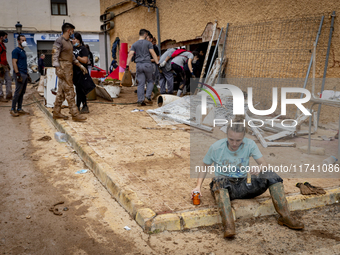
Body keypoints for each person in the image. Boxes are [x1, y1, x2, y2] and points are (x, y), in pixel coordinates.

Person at [191, 120, 304, 238]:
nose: (234, 143)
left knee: (271, 174)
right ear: (227, 135)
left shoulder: (250, 144)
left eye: (238, 140)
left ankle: (286, 217)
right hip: (227, 189)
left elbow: (264, 164)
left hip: (246, 184)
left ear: (243, 137)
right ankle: (229, 226)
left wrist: (260, 168)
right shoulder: (216, 147)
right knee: (219, 181)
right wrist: (198, 186)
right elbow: (204, 165)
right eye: (231, 139)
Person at [52, 23, 87, 122]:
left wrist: (80, 65)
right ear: (69, 31)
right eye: (72, 31)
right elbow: (54, 55)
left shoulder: (69, 42)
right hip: (63, 68)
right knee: (70, 91)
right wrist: (58, 68)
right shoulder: (59, 41)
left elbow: (72, 57)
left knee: (61, 92)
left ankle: (56, 112)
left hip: (68, 67)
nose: (73, 33)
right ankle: (75, 114)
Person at [126, 29, 159, 106]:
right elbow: (153, 53)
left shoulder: (134, 44)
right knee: (150, 81)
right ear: (145, 35)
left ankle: (140, 100)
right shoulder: (148, 43)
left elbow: (130, 55)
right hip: (147, 64)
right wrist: (157, 62)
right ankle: (147, 97)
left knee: (141, 83)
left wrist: (127, 65)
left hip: (139, 65)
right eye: (147, 35)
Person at [10, 34, 30, 117]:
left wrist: (27, 73)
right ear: (18, 41)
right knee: (18, 92)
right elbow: (14, 62)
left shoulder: (23, 51)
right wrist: (17, 73)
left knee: (22, 92)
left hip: (24, 73)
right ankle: (12, 109)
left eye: (25, 40)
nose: (24, 42)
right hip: (20, 73)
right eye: (22, 40)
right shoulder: (16, 51)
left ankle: (19, 108)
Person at [73, 33, 90, 114]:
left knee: (79, 90)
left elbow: (85, 61)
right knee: (80, 90)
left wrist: (76, 56)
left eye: (74, 39)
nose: (73, 41)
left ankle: (77, 107)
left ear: (78, 40)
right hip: (74, 73)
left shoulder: (83, 49)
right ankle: (85, 106)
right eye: (72, 39)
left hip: (82, 72)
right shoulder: (71, 48)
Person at [0, 31, 12, 102]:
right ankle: (0, 96)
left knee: (9, 80)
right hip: (1, 65)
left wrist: (7, 65)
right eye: (5, 37)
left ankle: (9, 96)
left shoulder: (3, 45)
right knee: (0, 81)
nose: (6, 39)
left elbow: (4, 56)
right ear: (1, 37)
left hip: (5, 65)